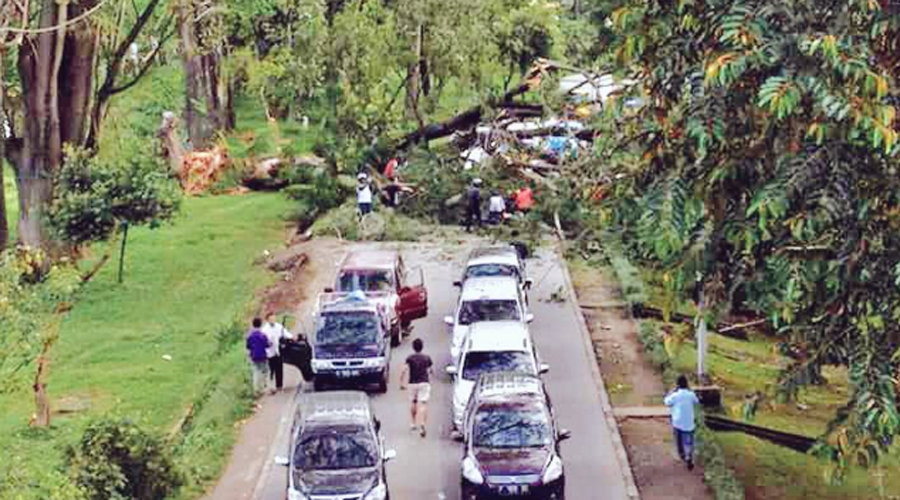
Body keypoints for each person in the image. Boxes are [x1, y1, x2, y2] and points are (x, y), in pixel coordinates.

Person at [664, 374, 701, 470]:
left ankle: (682, 455)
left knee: (679, 441)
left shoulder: (675, 395)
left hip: (677, 422)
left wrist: (670, 392)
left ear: (677, 384)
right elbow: (697, 401)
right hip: (689, 423)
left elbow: (667, 402)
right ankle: (689, 456)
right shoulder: (690, 394)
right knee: (688, 441)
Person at [400, 338, 433, 438]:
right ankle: (422, 423)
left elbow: (404, 370)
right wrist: (429, 380)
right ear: (422, 347)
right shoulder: (427, 358)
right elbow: (430, 370)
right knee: (423, 403)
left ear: (413, 347)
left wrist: (401, 382)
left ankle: (413, 423)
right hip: (424, 382)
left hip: (412, 383)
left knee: (414, 402)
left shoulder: (410, 358)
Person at [262, 313, 292, 393]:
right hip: (269, 353)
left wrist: (292, 337)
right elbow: (264, 341)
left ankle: (279, 386)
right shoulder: (264, 330)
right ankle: (270, 387)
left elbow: (285, 333)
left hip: (278, 351)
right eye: (271, 319)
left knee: (279, 369)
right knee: (271, 370)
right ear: (267, 320)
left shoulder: (278, 326)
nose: (273, 320)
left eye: (273, 318)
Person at [245, 318, 271, 397]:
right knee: (265, 372)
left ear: (253, 325)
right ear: (261, 324)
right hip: (263, 356)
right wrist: (271, 343)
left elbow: (248, 347)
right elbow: (267, 345)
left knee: (256, 372)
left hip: (254, 356)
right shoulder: (263, 335)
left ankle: (256, 390)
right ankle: (265, 388)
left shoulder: (249, 336)